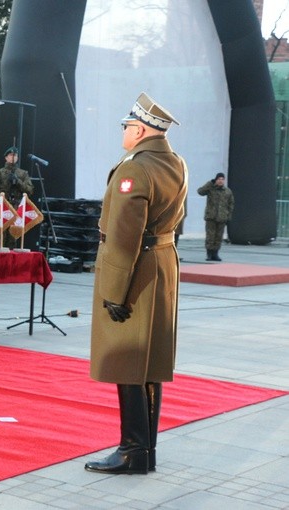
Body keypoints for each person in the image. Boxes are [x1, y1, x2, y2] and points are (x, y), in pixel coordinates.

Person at [84, 92, 187, 476]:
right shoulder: (175, 162)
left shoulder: (135, 170)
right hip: (161, 264)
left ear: (140, 129)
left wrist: (114, 291)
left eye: (127, 126)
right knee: (150, 363)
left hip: (135, 270)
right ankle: (146, 450)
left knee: (128, 359)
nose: (124, 132)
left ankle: (131, 451)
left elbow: (124, 235)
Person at [0, 146, 35, 248]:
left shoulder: (23, 173)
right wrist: (1, 200)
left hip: (16, 208)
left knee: (13, 236)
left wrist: (18, 181)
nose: (13, 157)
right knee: (2, 237)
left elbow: (30, 190)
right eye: (11, 155)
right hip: (3, 208)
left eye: (15, 155)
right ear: (6, 157)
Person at [197, 172, 234, 261]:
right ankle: (209, 253)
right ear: (216, 180)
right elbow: (200, 191)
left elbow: (231, 204)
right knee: (210, 236)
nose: (221, 181)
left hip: (222, 217)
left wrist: (228, 216)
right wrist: (210, 183)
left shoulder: (227, 191)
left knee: (218, 237)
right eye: (219, 179)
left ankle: (215, 253)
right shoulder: (211, 189)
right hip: (211, 217)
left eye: (222, 179)